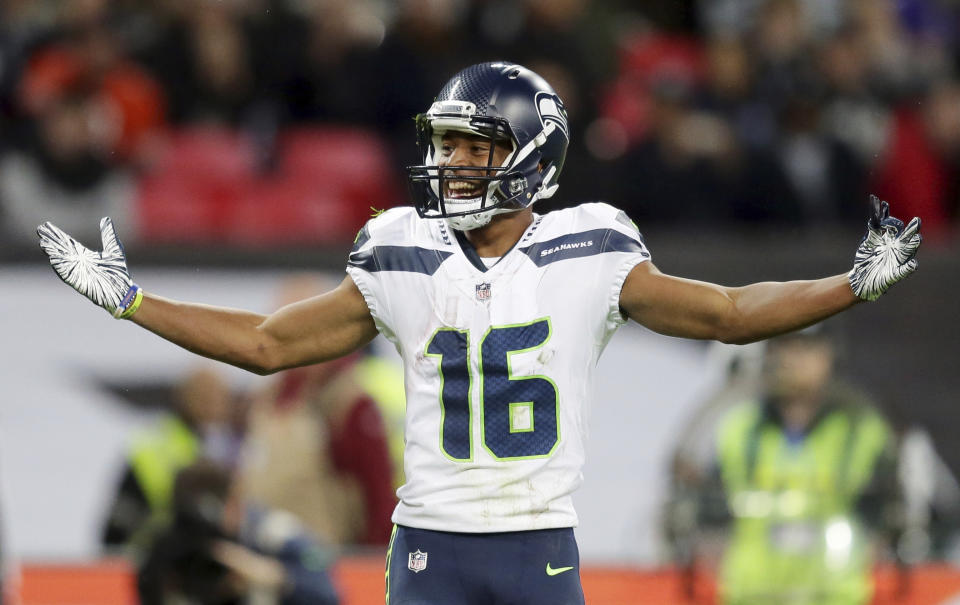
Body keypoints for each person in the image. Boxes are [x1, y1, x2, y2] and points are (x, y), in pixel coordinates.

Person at [36, 62, 921, 604]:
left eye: (477, 147)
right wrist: (133, 301)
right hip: (431, 548)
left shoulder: (592, 246)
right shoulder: (401, 249)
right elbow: (269, 343)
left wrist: (851, 282)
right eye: (450, 144)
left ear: (532, 156)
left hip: (539, 541)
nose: (454, 162)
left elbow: (728, 313)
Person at [668, 327, 903, 605]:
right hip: (750, 596)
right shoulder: (738, 429)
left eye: (806, 347)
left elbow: (890, 516)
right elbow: (704, 514)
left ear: (829, 356)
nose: (792, 359)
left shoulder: (862, 432)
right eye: (783, 347)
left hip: (836, 597)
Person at [137, 459, 340, 605]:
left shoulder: (272, 532)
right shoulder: (178, 547)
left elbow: (329, 593)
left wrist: (275, 575)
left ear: (233, 502)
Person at [102, 365, 233, 556]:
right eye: (204, 394)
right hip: (150, 558)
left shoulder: (214, 446)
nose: (213, 402)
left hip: (183, 559)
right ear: (183, 396)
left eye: (218, 395)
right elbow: (117, 528)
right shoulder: (156, 446)